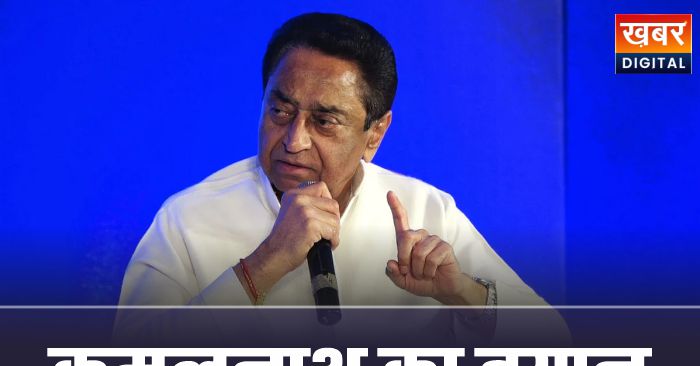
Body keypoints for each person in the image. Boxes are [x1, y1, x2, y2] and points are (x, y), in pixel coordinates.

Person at [117, 12, 567, 341]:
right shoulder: (188, 218)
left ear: (375, 134)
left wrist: (463, 294)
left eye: (324, 121)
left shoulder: (426, 212)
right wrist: (263, 265)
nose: (294, 140)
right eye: (280, 111)